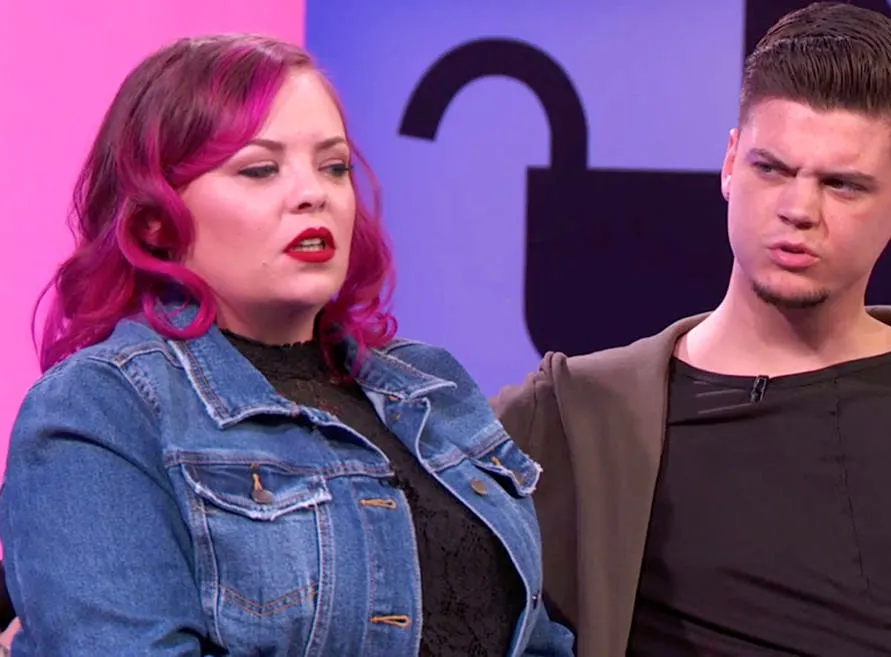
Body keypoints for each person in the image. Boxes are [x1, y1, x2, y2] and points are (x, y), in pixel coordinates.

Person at [0, 34, 573, 656]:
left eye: (333, 166)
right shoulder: (103, 408)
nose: (313, 193)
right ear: (155, 218)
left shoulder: (429, 382)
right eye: (260, 169)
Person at [493, 3, 891, 656]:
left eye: (843, 185)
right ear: (729, 163)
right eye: (771, 169)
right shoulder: (574, 415)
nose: (798, 209)